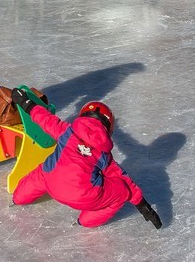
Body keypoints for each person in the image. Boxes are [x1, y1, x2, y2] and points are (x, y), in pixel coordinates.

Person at [9, 92, 162, 229]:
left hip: (50, 183)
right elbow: (123, 178)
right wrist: (142, 205)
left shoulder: (66, 131)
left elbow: (45, 119)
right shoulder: (104, 154)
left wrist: (25, 102)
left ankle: (19, 198)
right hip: (81, 196)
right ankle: (86, 221)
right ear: (108, 129)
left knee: (47, 169)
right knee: (123, 190)